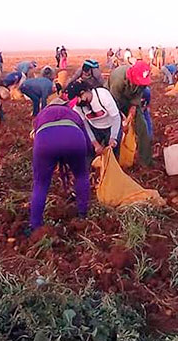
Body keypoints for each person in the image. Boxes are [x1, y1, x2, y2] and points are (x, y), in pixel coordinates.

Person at [30, 98, 92, 230]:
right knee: (81, 175)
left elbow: (36, 137)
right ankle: (83, 214)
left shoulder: (41, 115)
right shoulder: (73, 114)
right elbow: (87, 143)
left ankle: (35, 225)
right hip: (74, 138)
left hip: (45, 141)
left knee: (40, 183)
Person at [107, 61, 153, 166]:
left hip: (129, 99)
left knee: (142, 127)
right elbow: (114, 105)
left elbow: (134, 103)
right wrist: (123, 120)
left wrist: (130, 117)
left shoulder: (142, 82)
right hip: (113, 101)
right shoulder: (118, 80)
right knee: (117, 130)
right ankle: (115, 160)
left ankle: (146, 161)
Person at [67, 81, 123, 157]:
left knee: (113, 151)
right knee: (89, 151)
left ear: (83, 93)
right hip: (94, 127)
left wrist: (113, 137)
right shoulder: (78, 107)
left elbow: (116, 118)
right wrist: (95, 143)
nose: (77, 103)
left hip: (111, 125)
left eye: (77, 100)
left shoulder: (103, 96)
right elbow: (85, 125)